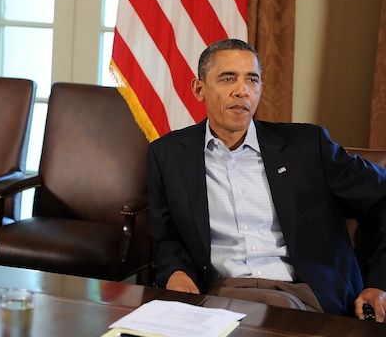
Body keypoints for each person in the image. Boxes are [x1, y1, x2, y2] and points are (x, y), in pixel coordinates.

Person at [147, 39, 386, 320]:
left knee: (276, 316)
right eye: (228, 79)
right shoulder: (168, 155)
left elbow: (382, 195)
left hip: (306, 292)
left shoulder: (308, 146)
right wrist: (175, 272)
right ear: (199, 89)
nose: (242, 91)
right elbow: (168, 238)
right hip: (220, 290)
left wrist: (379, 283)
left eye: (252, 79)